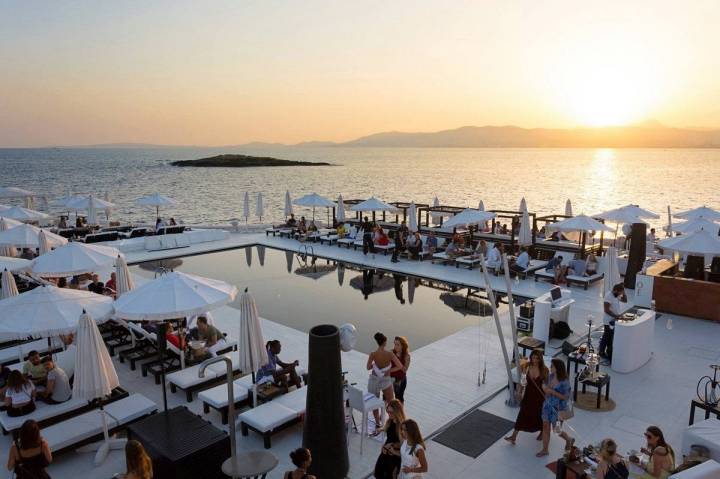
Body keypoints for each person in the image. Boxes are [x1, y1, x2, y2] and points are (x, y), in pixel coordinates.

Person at [505, 349, 548, 445]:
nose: (535, 360)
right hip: (528, 395)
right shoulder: (527, 366)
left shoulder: (544, 370)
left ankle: (542, 432)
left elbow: (547, 385)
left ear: (540, 359)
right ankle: (514, 436)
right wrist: (519, 392)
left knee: (539, 415)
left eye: (537, 358)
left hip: (540, 397)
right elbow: (523, 381)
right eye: (533, 358)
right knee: (522, 414)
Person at [367, 333, 404, 428]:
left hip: (374, 380)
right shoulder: (390, 354)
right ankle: (393, 422)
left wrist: (375, 366)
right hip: (386, 380)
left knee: (374, 403)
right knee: (392, 402)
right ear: (385, 343)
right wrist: (389, 369)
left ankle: (378, 424)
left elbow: (368, 367)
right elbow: (400, 366)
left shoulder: (373, 354)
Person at [537, 359, 572, 457]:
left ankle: (568, 439)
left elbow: (566, 397)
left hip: (558, 409)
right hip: (547, 406)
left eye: (552, 366)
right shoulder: (550, 377)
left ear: (557, 368)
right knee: (545, 426)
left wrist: (552, 392)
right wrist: (544, 388)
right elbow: (544, 386)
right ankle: (545, 450)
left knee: (556, 430)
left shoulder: (565, 382)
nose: (550, 367)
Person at [373, 399, 406, 478]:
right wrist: (380, 430)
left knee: (389, 476)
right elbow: (387, 429)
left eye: (391, 412)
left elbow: (404, 445)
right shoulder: (390, 421)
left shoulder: (402, 426)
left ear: (397, 412)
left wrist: (392, 445)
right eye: (388, 411)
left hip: (394, 456)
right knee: (377, 473)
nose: (389, 414)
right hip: (385, 451)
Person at [600, 283, 626, 361]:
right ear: (615, 291)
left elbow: (625, 300)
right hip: (608, 321)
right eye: (620, 292)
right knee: (606, 337)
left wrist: (624, 292)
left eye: (621, 292)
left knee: (611, 337)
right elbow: (606, 310)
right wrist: (616, 316)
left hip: (614, 320)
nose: (620, 294)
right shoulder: (609, 296)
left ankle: (609, 351)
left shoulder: (616, 295)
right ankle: (601, 352)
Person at [390, 336, 411, 403]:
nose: (395, 346)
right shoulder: (391, 352)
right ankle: (388, 412)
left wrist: (397, 362)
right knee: (386, 396)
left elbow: (404, 369)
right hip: (390, 378)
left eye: (397, 344)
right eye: (394, 344)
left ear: (402, 346)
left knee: (398, 398)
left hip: (400, 379)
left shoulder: (407, 356)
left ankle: (400, 412)